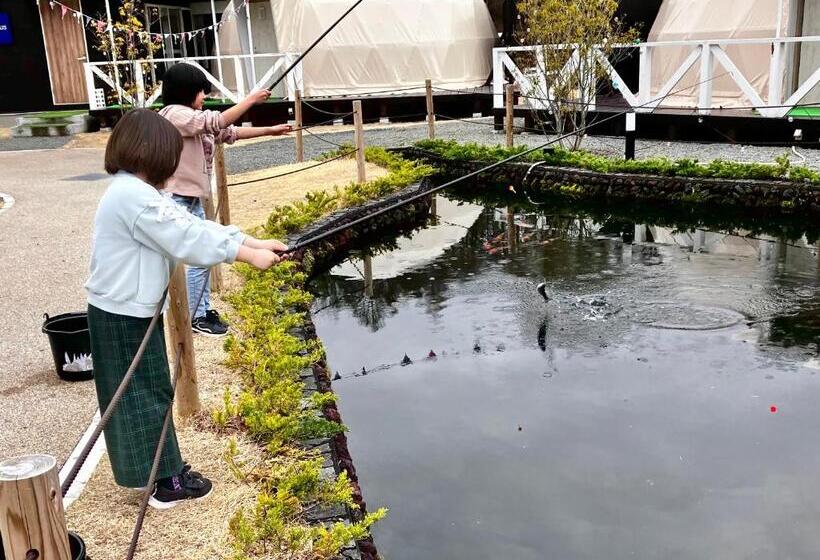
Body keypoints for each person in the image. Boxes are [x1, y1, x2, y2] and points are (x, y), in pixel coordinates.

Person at [86, 109, 287, 509]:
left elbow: (190, 225)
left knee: (150, 389)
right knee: (142, 395)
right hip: (121, 314)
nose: (174, 165)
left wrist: (251, 241)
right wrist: (244, 255)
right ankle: (166, 482)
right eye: (171, 155)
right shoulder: (133, 197)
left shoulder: (136, 192)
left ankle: (166, 472)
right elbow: (183, 237)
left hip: (126, 309)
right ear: (152, 154)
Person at [159, 62, 292, 336]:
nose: (204, 96)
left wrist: (269, 130)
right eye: (200, 91)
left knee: (204, 254)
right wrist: (251, 100)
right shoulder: (174, 115)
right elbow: (217, 121)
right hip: (177, 198)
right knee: (199, 258)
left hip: (191, 199)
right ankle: (197, 316)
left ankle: (200, 310)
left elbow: (228, 132)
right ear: (185, 91)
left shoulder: (193, 118)